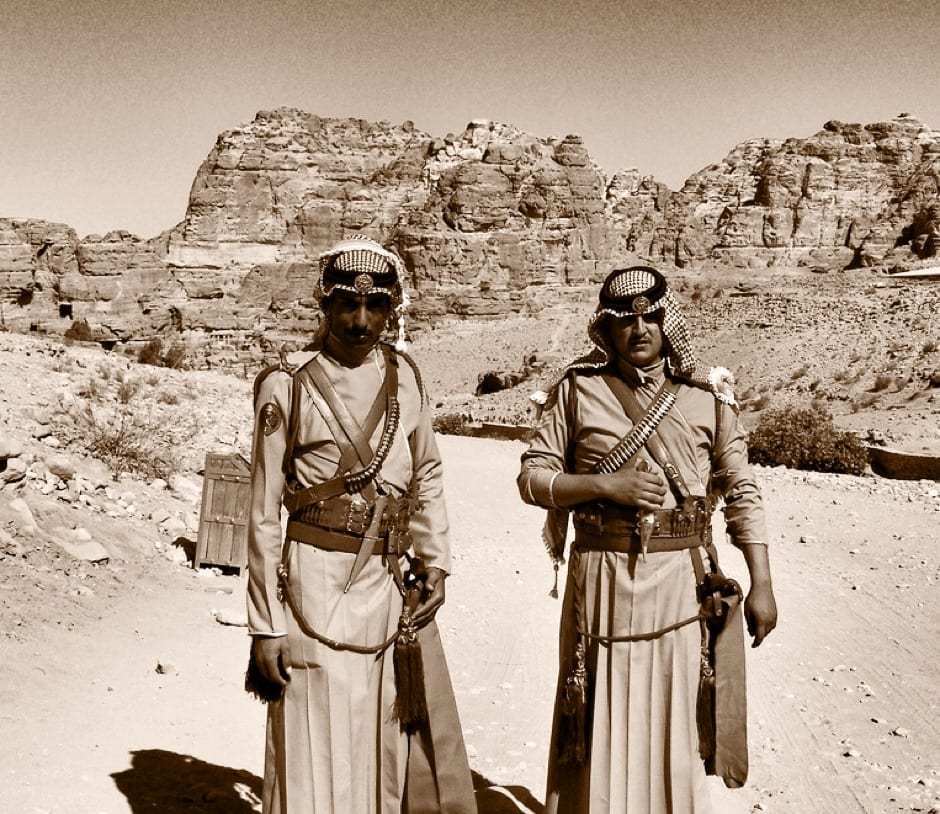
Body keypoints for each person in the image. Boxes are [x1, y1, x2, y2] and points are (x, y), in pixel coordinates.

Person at [518, 265, 777, 814]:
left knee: (673, 714)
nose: (640, 329)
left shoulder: (707, 400)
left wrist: (763, 583)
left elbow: (742, 493)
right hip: (602, 581)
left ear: (667, 321)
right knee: (599, 713)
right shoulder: (575, 391)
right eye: (624, 320)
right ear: (605, 331)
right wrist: (603, 485)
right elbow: (532, 479)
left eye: (651, 316)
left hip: (681, 586)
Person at [246, 235, 477, 814]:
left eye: (376, 307)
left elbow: (427, 475)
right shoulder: (288, 384)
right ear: (323, 304)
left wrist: (436, 562)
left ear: (393, 308)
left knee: (381, 739)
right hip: (313, 582)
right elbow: (262, 509)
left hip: (386, 582)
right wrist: (264, 624)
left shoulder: (409, 378)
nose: (360, 320)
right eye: (347, 304)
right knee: (310, 736)